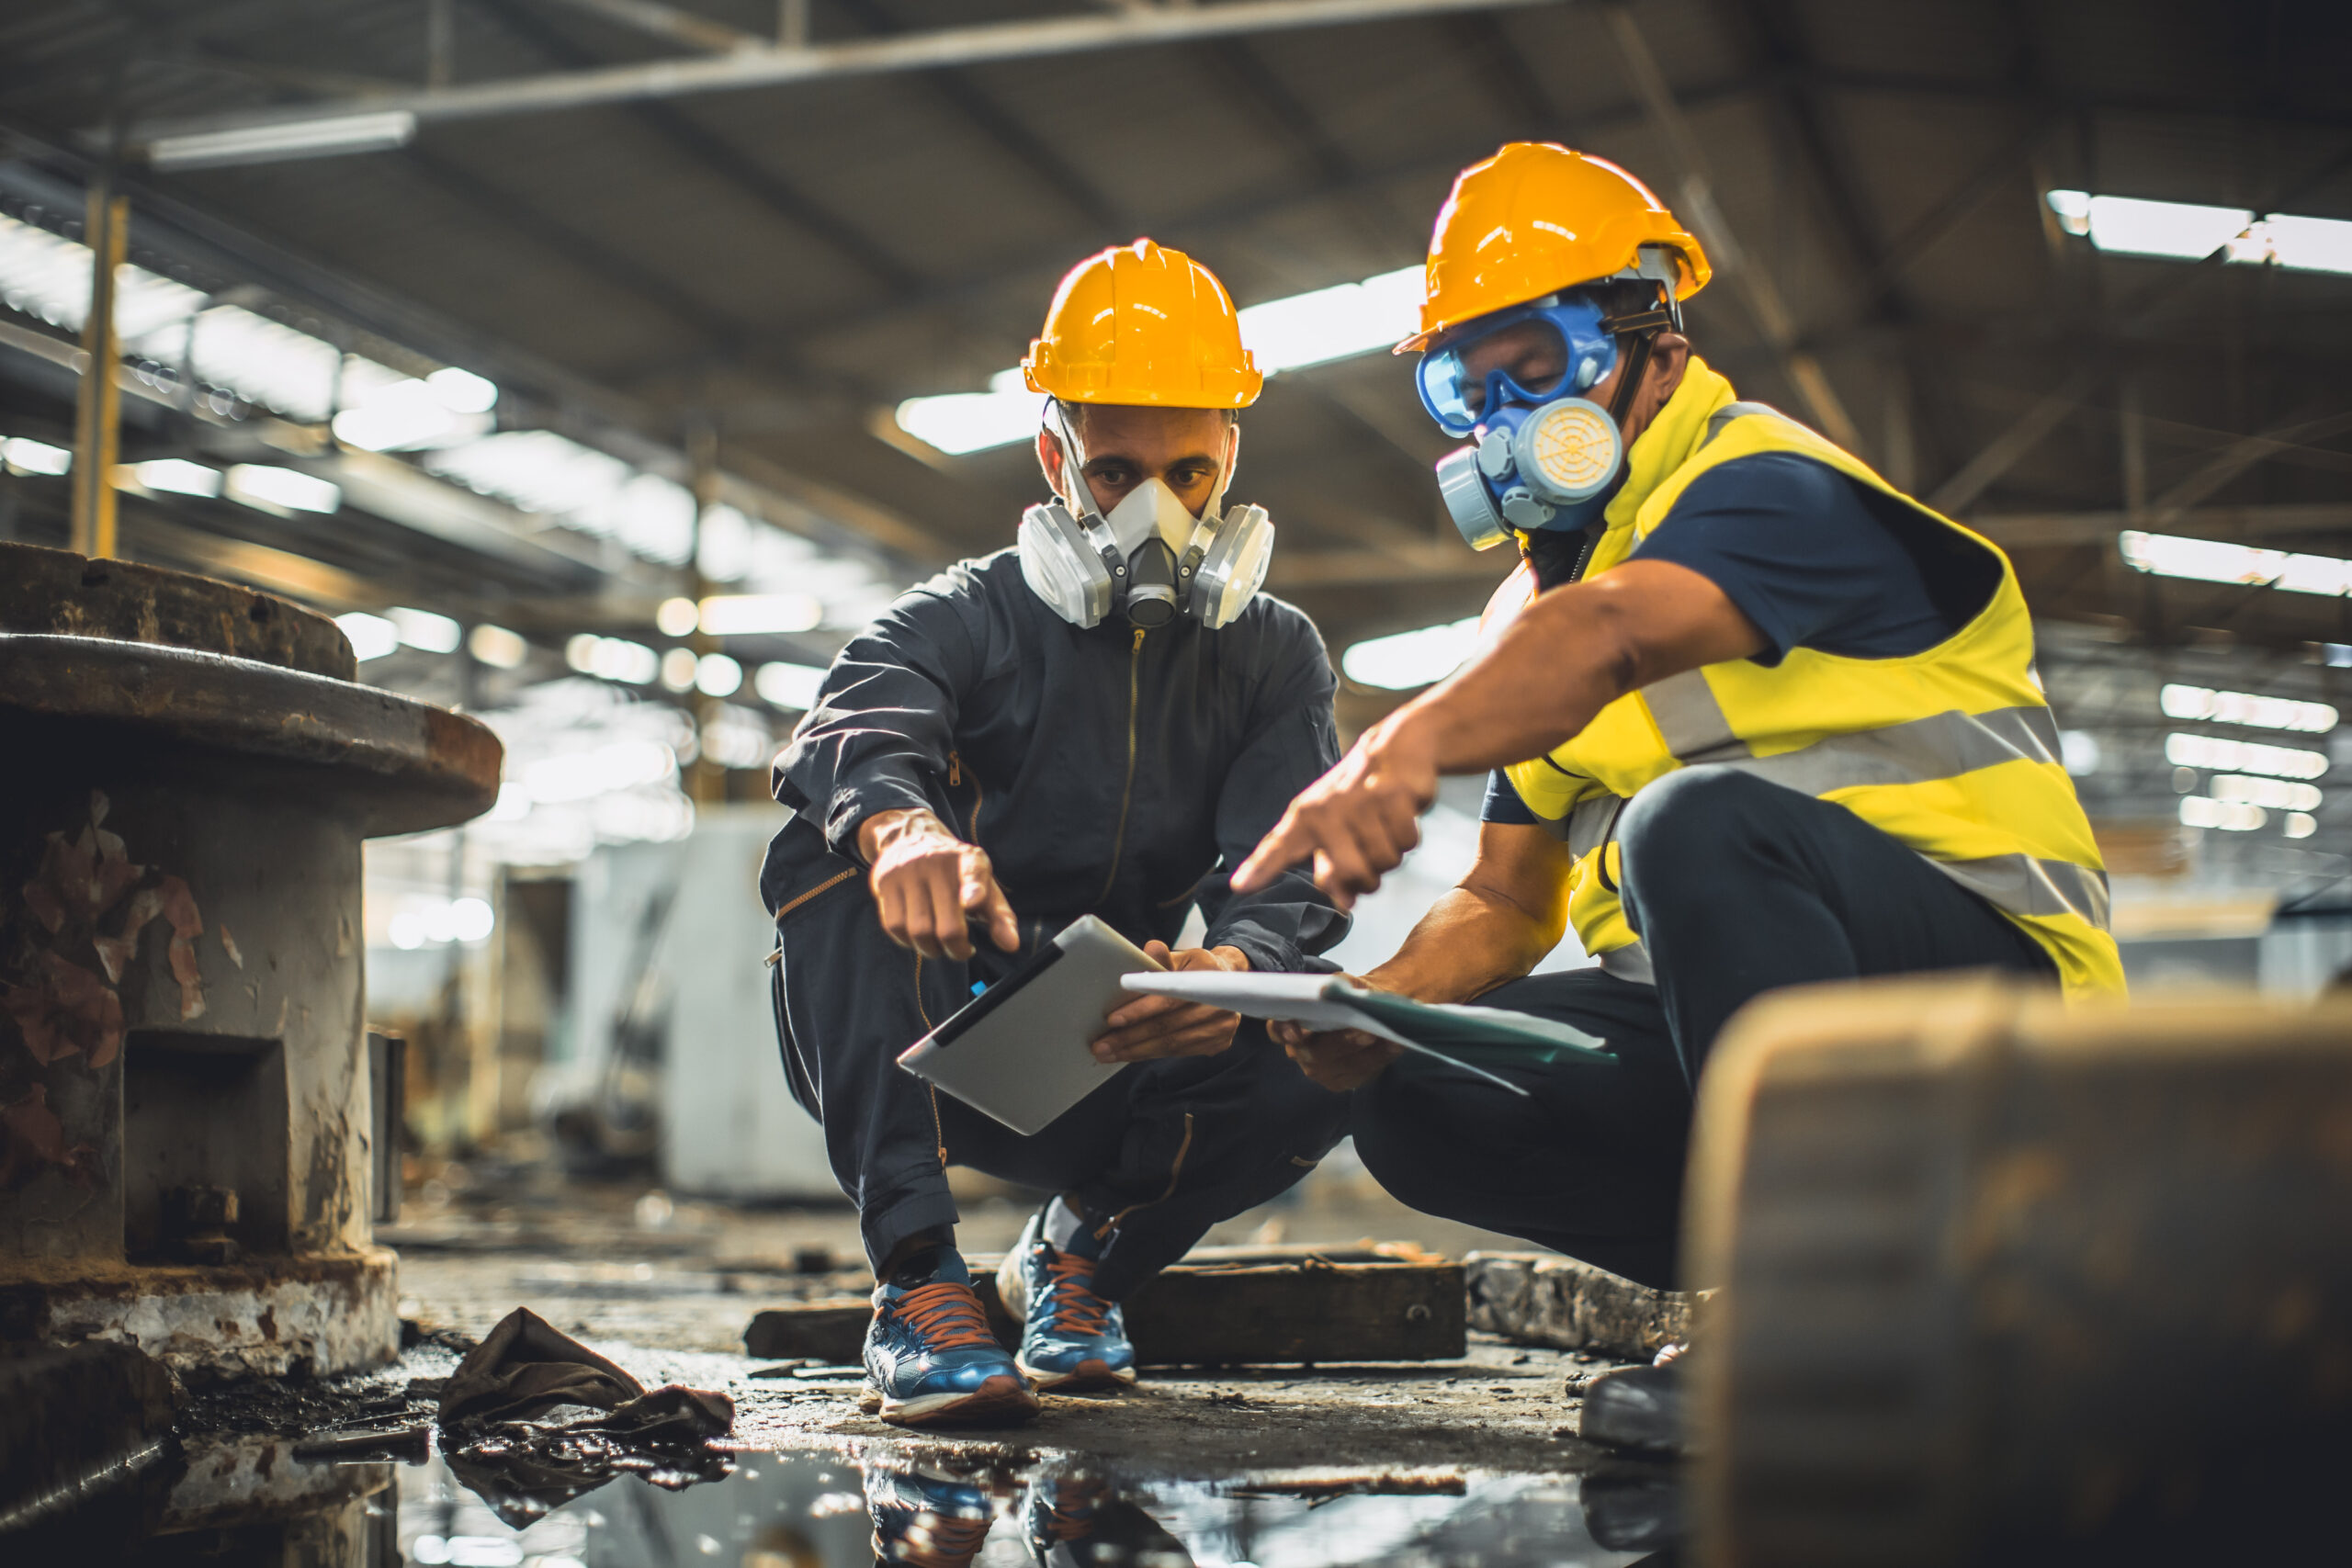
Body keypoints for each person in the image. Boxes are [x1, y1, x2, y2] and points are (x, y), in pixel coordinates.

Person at [1232, 145, 2126, 1411]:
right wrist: (1369, 1005)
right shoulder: (1530, 615)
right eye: (1463, 385)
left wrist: (1402, 744)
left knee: (1693, 827)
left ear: (1650, 333)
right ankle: (1876, 1280)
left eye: (1534, 369)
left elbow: (1613, 637)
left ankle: (1809, 1316)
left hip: (1997, 1007)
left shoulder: (1769, 485)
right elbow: (1504, 900)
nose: (1503, 420)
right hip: (1745, 1042)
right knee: (1420, 1099)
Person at [763, 239, 1350, 1430]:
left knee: (1328, 1020)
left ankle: (1079, 1259)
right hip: (935, 1034)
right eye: (1117, 469)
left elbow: (1290, 862)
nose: (1158, 513)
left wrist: (1236, 975)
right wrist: (901, 830)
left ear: (1233, 451)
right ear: (1053, 456)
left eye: (1191, 471)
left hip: (1119, 1043)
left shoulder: (1272, 653)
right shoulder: (965, 617)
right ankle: (918, 1283)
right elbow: (856, 722)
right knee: (828, 858)